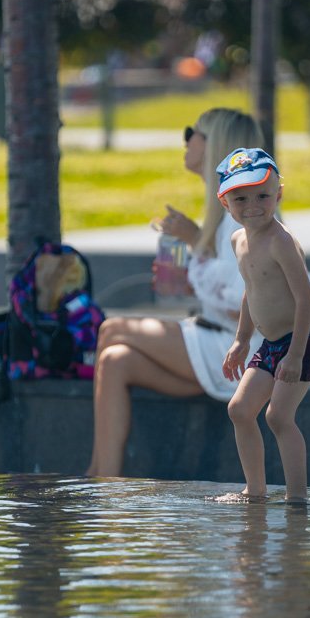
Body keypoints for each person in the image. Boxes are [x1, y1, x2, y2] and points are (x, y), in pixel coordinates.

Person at [85, 108, 265, 477]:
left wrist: (194, 247)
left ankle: (97, 479)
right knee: (114, 360)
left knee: (111, 330)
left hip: (242, 354)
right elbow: (230, 283)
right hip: (220, 345)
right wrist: (195, 256)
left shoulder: (241, 216)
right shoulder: (228, 214)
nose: (185, 141)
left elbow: (245, 302)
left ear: (212, 143)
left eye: (191, 133)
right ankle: (104, 481)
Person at [218, 149, 310, 505]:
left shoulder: (281, 242)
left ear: (278, 193)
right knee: (239, 410)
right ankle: (256, 490)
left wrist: (294, 356)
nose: (253, 205)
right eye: (241, 198)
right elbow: (252, 291)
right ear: (225, 203)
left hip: (302, 341)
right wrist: (241, 340)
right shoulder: (239, 241)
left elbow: (305, 300)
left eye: (263, 195)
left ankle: (297, 498)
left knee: (278, 416)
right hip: (271, 342)